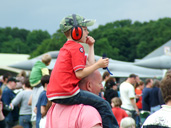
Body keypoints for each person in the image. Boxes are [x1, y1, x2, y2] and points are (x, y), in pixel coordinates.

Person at [46, 14, 118, 128]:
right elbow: (80, 73)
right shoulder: (77, 47)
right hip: (68, 92)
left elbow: (89, 64)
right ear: (76, 31)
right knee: (103, 104)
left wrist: (90, 46)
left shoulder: (67, 47)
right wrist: (98, 64)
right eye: (85, 29)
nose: (88, 32)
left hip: (54, 94)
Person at [46, 70, 118, 128]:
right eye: (99, 83)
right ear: (89, 85)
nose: (102, 87)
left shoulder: (54, 108)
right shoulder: (89, 111)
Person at [29, 54, 51, 128]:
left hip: (34, 85)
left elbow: (35, 108)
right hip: (42, 121)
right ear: (48, 62)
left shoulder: (36, 65)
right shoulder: (43, 67)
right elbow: (46, 76)